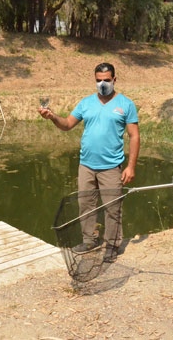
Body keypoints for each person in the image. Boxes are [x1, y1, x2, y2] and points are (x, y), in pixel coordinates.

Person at [38, 62, 140, 263]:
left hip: (111, 166)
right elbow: (67, 124)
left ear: (114, 80)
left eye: (106, 80)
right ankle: (89, 240)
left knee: (113, 207)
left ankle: (112, 245)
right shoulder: (86, 103)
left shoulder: (126, 104)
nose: (102, 84)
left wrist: (131, 166)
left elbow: (134, 136)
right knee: (85, 204)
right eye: (99, 80)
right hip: (86, 165)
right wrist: (52, 117)